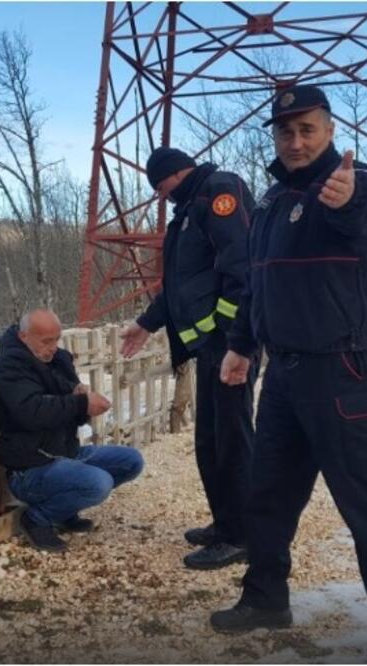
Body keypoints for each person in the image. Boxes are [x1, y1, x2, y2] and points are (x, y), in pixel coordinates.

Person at [209, 85, 367, 664]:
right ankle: (265, 600)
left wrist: (348, 197)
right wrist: (240, 347)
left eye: (307, 129)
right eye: (285, 131)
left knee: (365, 504)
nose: (296, 141)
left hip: (342, 369)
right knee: (268, 496)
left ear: (330, 131)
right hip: (281, 374)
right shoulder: (271, 203)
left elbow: (363, 210)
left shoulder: (355, 184)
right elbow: (257, 284)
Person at [120, 147, 257, 570]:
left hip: (229, 346)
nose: (160, 195)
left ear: (178, 172)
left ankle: (242, 536)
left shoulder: (219, 192)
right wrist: (147, 323)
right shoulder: (188, 211)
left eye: (161, 185)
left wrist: (233, 338)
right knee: (210, 442)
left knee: (232, 441)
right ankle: (225, 523)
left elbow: (243, 269)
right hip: (210, 348)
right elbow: (181, 284)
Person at [0, 309, 144, 553]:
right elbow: (30, 412)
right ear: (23, 337)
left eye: (56, 339)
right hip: (30, 467)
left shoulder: (58, 360)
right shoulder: (11, 366)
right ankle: (36, 518)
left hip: (65, 452)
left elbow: (73, 414)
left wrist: (82, 399)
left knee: (132, 461)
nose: (53, 347)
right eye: (46, 341)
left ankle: (64, 510)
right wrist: (80, 403)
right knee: (99, 483)